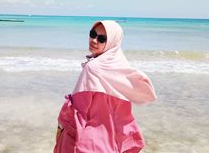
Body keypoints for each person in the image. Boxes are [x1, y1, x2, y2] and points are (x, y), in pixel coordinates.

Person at [54, 20, 156, 153]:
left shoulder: (92, 68)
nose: (94, 40)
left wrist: (60, 127)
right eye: (93, 34)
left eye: (102, 39)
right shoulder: (120, 64)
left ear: (112, 42)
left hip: (87, 141)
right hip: (110, 141)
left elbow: (77, 108)